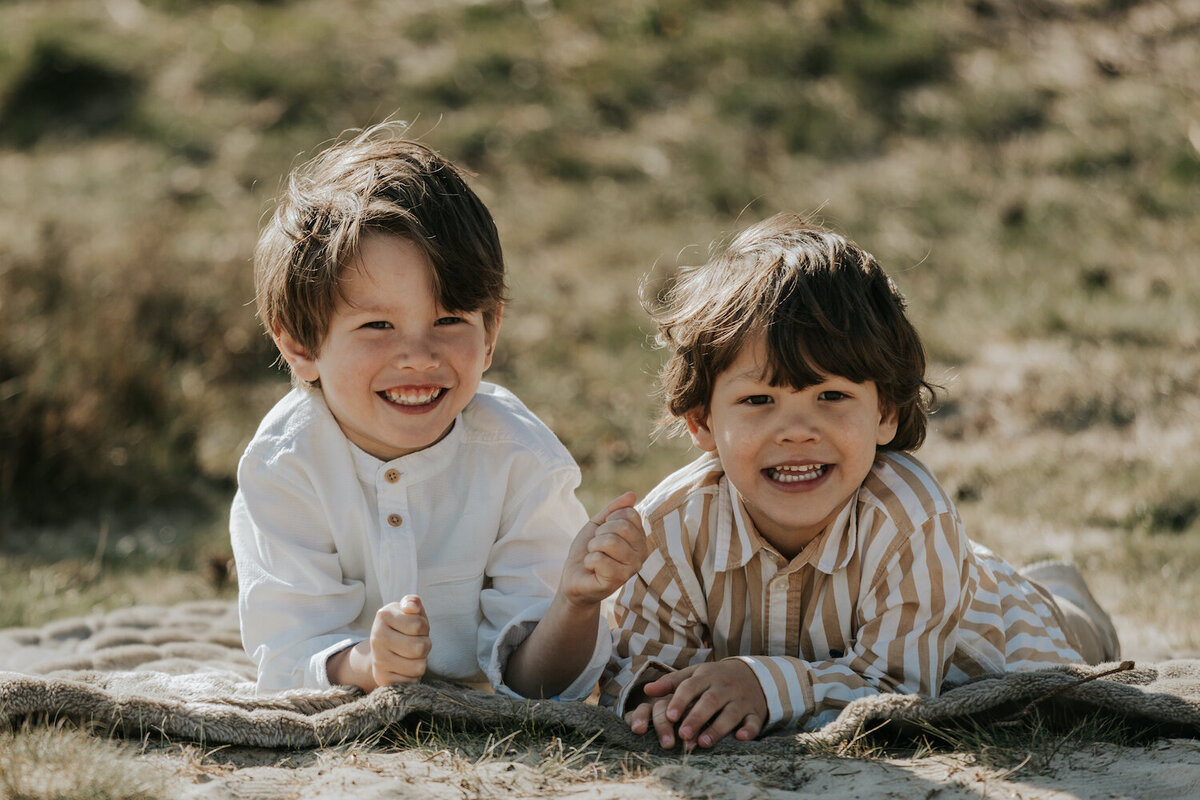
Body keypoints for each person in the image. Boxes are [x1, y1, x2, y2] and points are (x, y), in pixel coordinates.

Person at [600, 213, 1120, 749]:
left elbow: (897, 691)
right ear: (704, 421)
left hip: (996, 623)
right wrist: (664, 706)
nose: (797, 433)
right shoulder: (671, 525)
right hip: (926, 582)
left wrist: (764, 683)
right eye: (759, 401)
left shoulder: (911, 518)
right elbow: (637, 675)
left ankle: (1067, 595)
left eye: (831, 396)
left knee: (1071, 644)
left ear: (886, 413)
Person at [230, 121, 647, 699]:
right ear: (300, 346)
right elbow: (288, 655)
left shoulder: (519, 458)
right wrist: (366, 665)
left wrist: (576, 605)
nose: (418, 357)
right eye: (378, 325)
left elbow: (545, 686)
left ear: (491, 331)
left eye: (449, 321)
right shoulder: (287, 463)